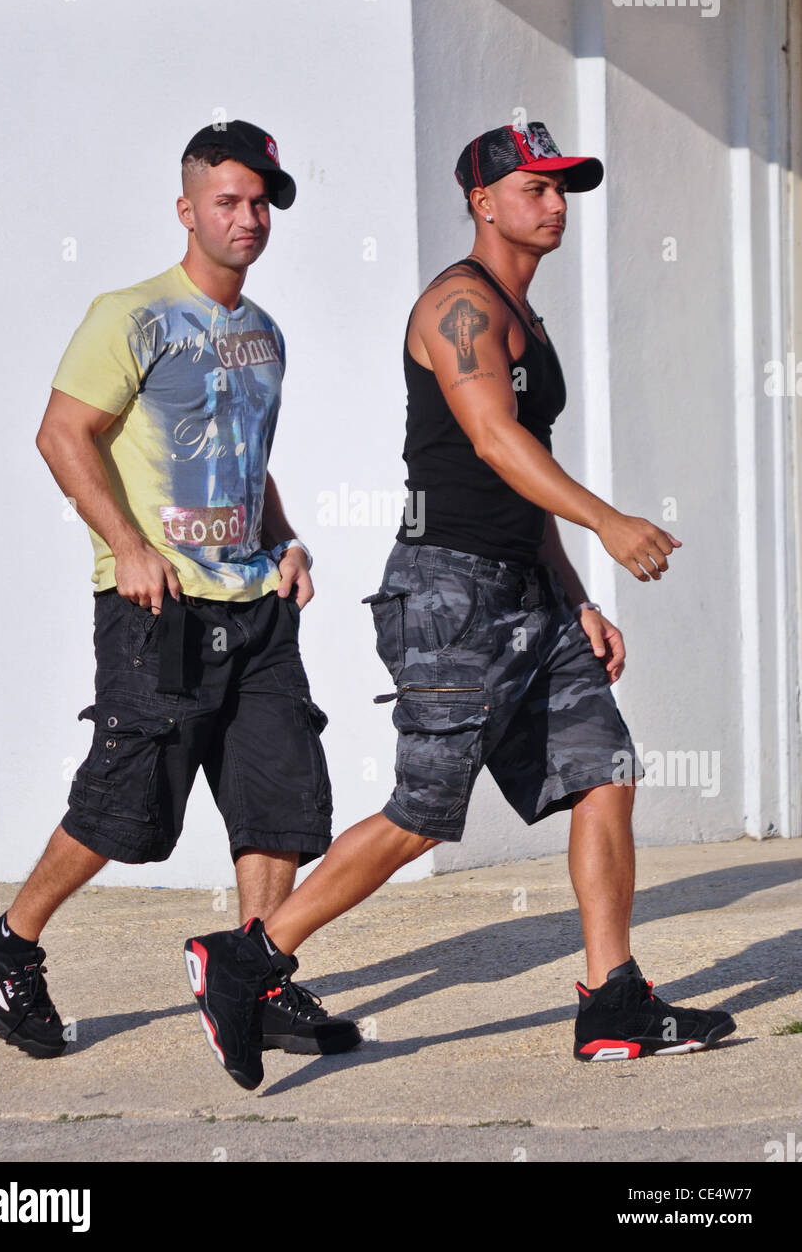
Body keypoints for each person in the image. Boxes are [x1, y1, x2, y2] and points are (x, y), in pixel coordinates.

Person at [182, 117, 735, 1089]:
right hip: (448, 592)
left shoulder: (529, 318)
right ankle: (246, 959)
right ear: (481, 201)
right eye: (534, 188)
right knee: (422, 815)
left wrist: (573, 597)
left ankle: (612, 998)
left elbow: (529, 473)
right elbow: (489, 440)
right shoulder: (455, 307)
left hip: (524, 590)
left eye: (562, 188)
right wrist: (609, 523)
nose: (553, 205)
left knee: (601, 769)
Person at [0, 119, 360, 1063]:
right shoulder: (130, 314)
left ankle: (257, 975)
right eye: (228, 201)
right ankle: (4, 942)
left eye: (261, 203)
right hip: (157, 609)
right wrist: (126, 545)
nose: (247, 218)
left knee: (278, 800)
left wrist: (286, 540)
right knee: (124, 804)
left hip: (256, 605)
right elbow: (62, 434)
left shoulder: (263, 332)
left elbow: (244, 461)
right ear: (187, 210)